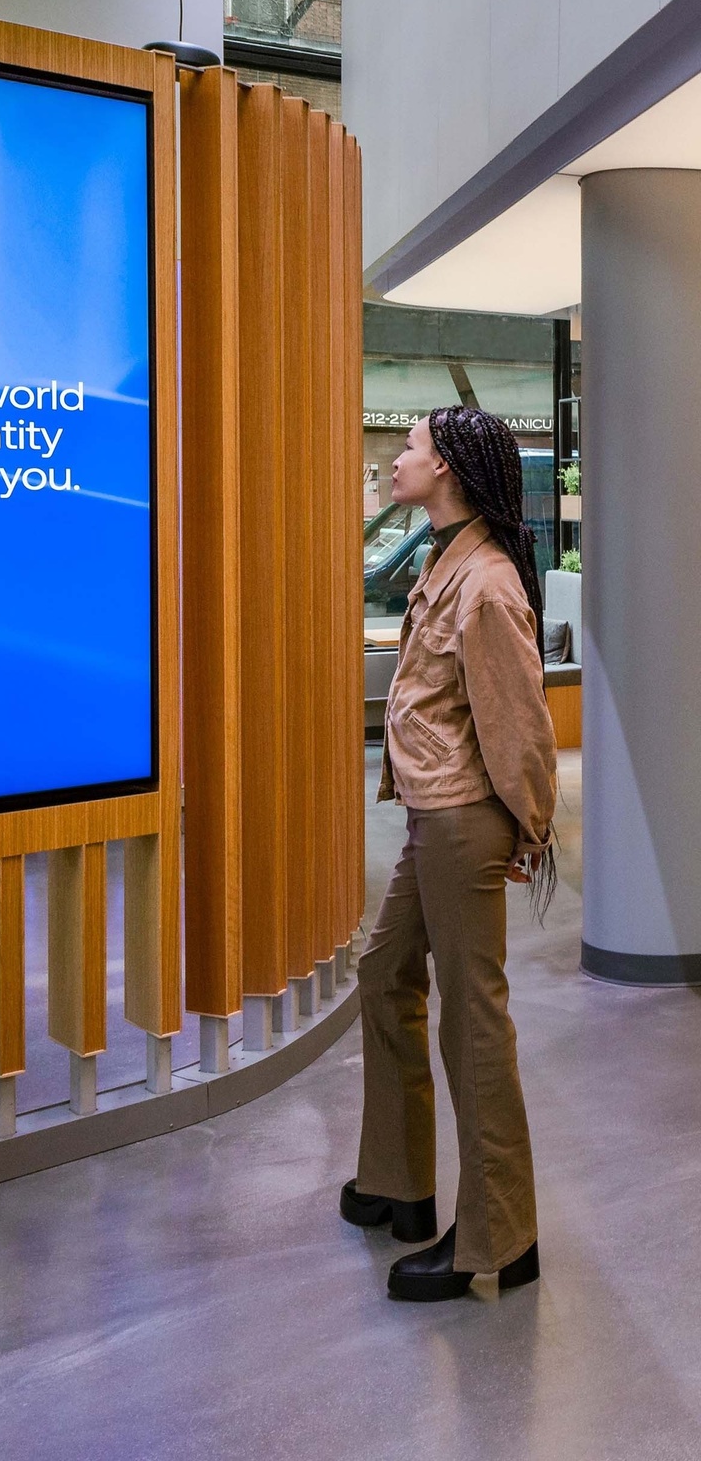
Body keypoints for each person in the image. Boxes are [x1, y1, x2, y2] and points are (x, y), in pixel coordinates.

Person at [340, 406, 557, 1302]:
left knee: (475, 1024)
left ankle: (500, 1239)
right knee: (385, 970)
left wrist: (530, 831)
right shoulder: (445, 560)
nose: (399, 457)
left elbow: (519, 727)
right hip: (434, 812)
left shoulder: (488, 584)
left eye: (416, 447)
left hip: (466, 821)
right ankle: (402, 1182)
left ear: (453, 471)